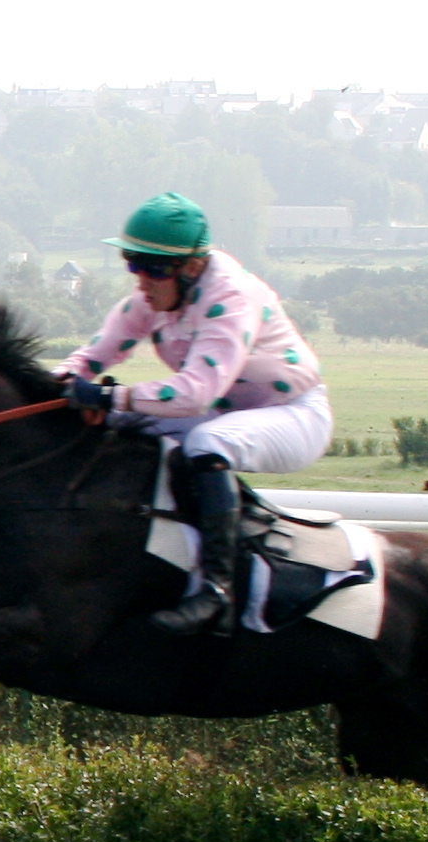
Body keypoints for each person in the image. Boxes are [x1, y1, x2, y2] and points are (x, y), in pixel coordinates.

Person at [56, 191, 332, 635]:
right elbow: (90, 358)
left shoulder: (233, 298)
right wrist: (47, 386)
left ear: (193, 266)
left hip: (294, 416)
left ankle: (217, 593)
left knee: (206, 442)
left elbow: (195, 395)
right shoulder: (151, 299)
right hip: (227, 412)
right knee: (116, 423)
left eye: (154, 268)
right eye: (133, 263)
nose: (142, 280)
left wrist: (108, 397)